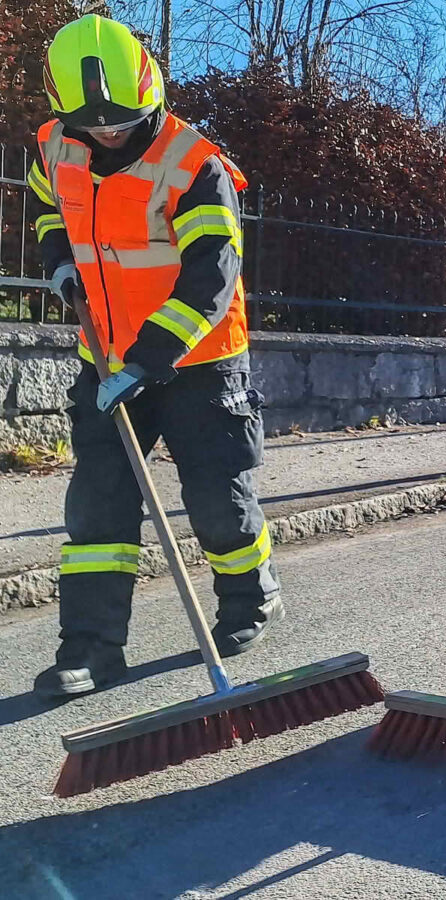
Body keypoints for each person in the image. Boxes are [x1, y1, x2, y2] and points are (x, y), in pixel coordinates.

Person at [28, 15, 280, 698]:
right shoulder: (55, 144)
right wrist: (58, 262)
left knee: (217, 499)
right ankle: (89, 649)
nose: (109, 135)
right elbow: (49, 206)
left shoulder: (193, 164)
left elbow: (211, 276)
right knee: (99, 508)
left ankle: (248, 598)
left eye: (121, 123)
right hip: (105, 359)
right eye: (95, 127)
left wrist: (148, 359)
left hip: (199, 359)